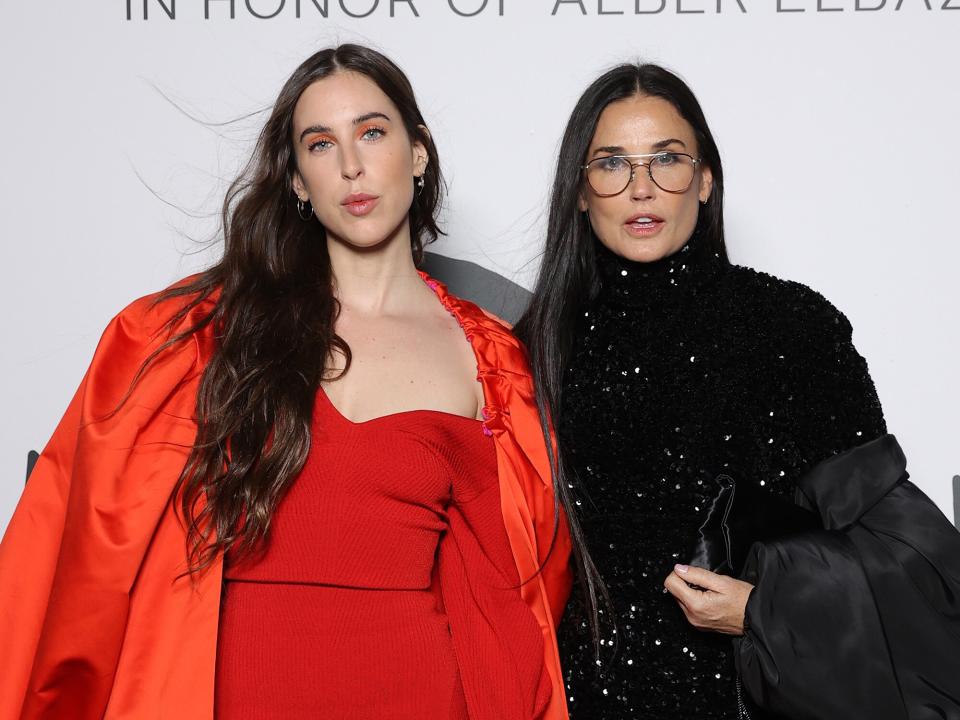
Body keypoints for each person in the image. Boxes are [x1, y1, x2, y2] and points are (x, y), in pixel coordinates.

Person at [0, 44, 574, 720]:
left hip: (416, 689)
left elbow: (509, 596)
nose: (352, 165)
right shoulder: (201, 337)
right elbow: (85, 555)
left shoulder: (491, 361)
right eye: (320, 144)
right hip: (240, 689)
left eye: (372, 132)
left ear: (417, 153)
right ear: (298, 180)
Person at [515, 62, 960, 719]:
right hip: (572, 703)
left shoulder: (788, 330)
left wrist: (765, 609)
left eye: (667, 159)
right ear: (581, 191)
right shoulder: (532, 349)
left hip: (741, 701)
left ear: (705, 179)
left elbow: (912, 569)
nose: (642, 188)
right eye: (611, 164)